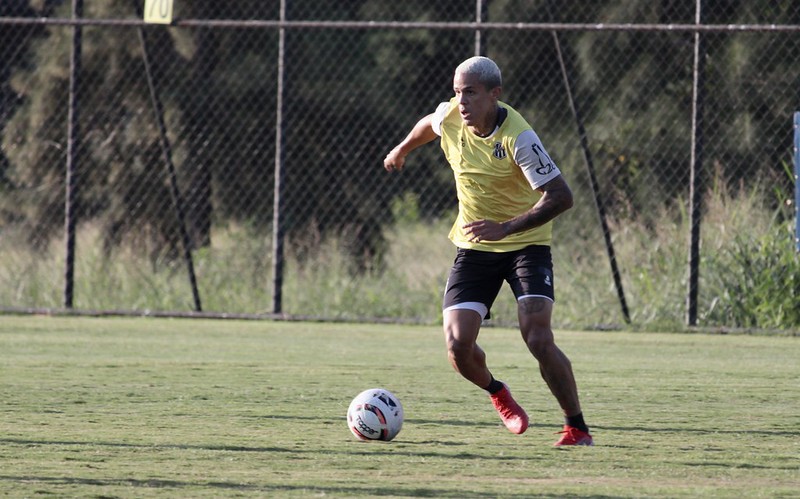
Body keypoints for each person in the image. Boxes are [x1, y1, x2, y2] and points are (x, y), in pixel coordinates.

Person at [383, 56, 592, 446]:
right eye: (458, 91)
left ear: (495, 94)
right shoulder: (451, 117)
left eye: (471, 93)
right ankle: (498, 392)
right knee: (458, 345)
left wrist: (506, 228)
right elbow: (430, 123)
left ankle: (576, 426)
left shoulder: (519, 138)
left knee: (538, 337)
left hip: (526, 244)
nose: (461, 101)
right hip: (476, 245)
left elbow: (562, 197)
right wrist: (402, 148)